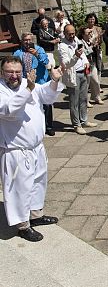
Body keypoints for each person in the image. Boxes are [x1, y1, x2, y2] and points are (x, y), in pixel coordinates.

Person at [0, 56, 64, 242]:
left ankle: (35, 216)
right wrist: (29, 87)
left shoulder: (27, 85)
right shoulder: (3, 91)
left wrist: (55, 80)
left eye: (17, 72)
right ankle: (22, 225)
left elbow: (46, 95)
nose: (14, 76)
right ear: (2, 73)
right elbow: (9, 109)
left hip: (36, 147)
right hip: (16, 151)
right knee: (19, 188)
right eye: (10, 72)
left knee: (38, 182)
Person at [13, 32, 55, 136]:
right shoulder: (18, 52)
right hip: (26, 83)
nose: (28, 42)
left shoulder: (39, 49)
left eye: (29, 40)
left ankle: (48, 126)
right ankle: (34, 127)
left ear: (33, 41)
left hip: (41, 81)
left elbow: (46, 62)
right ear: (22, 41)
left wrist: (36, 54)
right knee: (31, 106)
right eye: (25, 40)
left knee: (46, 104)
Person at [58, 24, 97, 135]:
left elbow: (83, 53)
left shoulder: (76, 40)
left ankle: (84, 120)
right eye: (69, 34)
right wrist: (75, 56)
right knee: (74, 102)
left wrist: (85, 62)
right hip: (73, 75)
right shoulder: (62, 46)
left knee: (84, 99)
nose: (72, 35)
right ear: (64, 34)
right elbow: (66, 63)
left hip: (83, 73)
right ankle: (76, 124)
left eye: (73, 33)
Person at [78, 27, 103, 105]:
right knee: (87, 84)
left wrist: (96, 45)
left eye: (90, 33)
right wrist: (92, 46)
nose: (90, 34)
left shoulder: (90, 40)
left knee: (96, 81)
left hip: (92, 63)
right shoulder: (80, 42)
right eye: (88, 33)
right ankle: (86, 100)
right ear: (83, 34)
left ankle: (97, 97)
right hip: (85, 65)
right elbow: (84, 52)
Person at [85, 13, 103, 92]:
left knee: (99, 68)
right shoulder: (85, 29)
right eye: (90, 19)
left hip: (97, 50)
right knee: (91, 69)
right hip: (89, 52)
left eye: (93, 19)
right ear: (87, 20)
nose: (91, 20)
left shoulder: (98, 29)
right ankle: (91, 86)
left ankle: (98, 85)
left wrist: (97, 43)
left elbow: (101, 40)